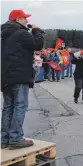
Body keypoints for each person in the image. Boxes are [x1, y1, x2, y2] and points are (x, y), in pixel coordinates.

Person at [1, 9, 44, 149]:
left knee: (8, 107)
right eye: (25, 18)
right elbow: (38, 45)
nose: (27, 21)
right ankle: (16, 138)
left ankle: (5, 139)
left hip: (6, 76)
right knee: (20, 106)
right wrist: (37, 31)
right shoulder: (20, 33)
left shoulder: (4, 35)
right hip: (19, 76)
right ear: (18, 19)